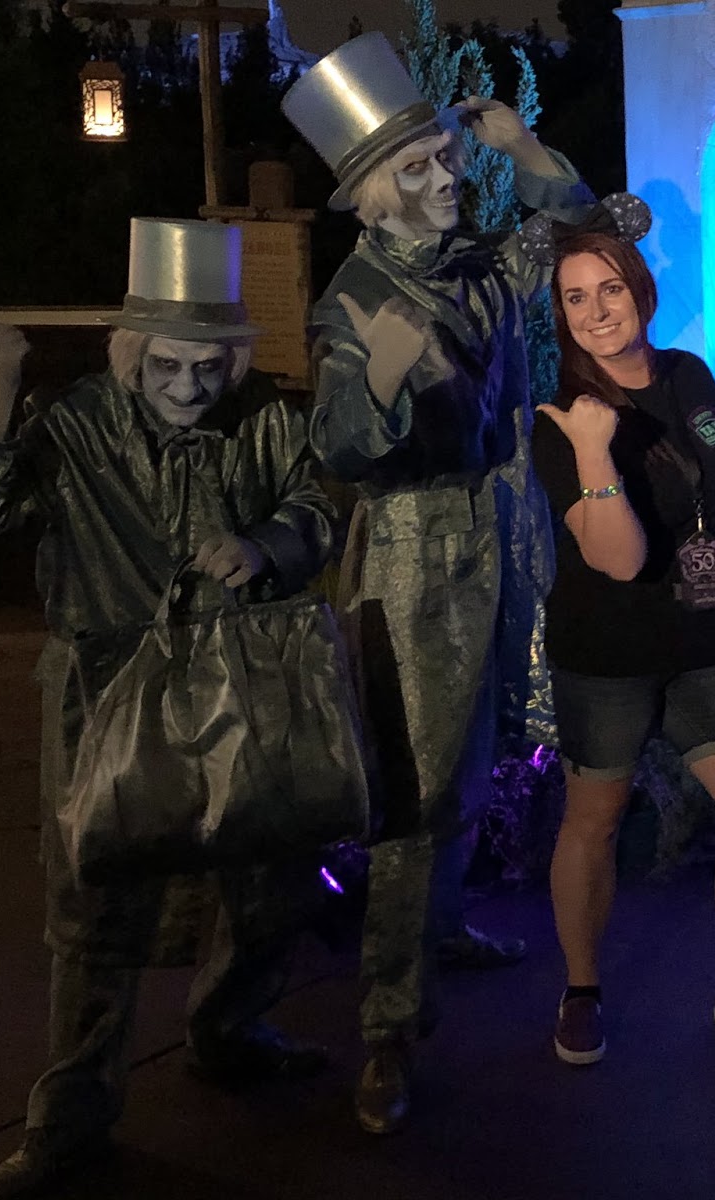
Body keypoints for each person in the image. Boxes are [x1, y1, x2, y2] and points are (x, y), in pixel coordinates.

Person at [0, 218, 337, 1197]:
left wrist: (266, 546)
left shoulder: (263, 417)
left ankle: (229, 1030)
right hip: (106, 689)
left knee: (267, 873)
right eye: (168, 364)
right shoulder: (77, 423)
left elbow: (315, 504)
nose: (189, 386)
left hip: (243, 679)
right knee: (93, 900)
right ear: (131, 353)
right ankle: (70, 1120)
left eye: (209, 366)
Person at [280, 32, 594, 1134]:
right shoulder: (353, 299)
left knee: (474, 754)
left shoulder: (473, 259)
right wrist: (378, 383)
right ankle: (387, 1028)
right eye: (416, 168)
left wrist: (528, 147)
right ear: (372, 197)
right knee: (415, 790)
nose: (446, 177)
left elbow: (573, 227)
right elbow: (339, 446)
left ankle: (444, 927)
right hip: (414, 550)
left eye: (446, 158)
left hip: (499, 526)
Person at [520, 197, 715, 1066]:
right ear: (562, 313)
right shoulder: (562, 418)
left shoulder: (688, 376)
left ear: (641, 291)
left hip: (702, 641)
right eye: (575, 297)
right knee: (595, 819)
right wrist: (592, 451)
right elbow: (616, 560)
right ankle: (581, 990)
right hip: (607, 652)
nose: (596, 311)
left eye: (609, 288)